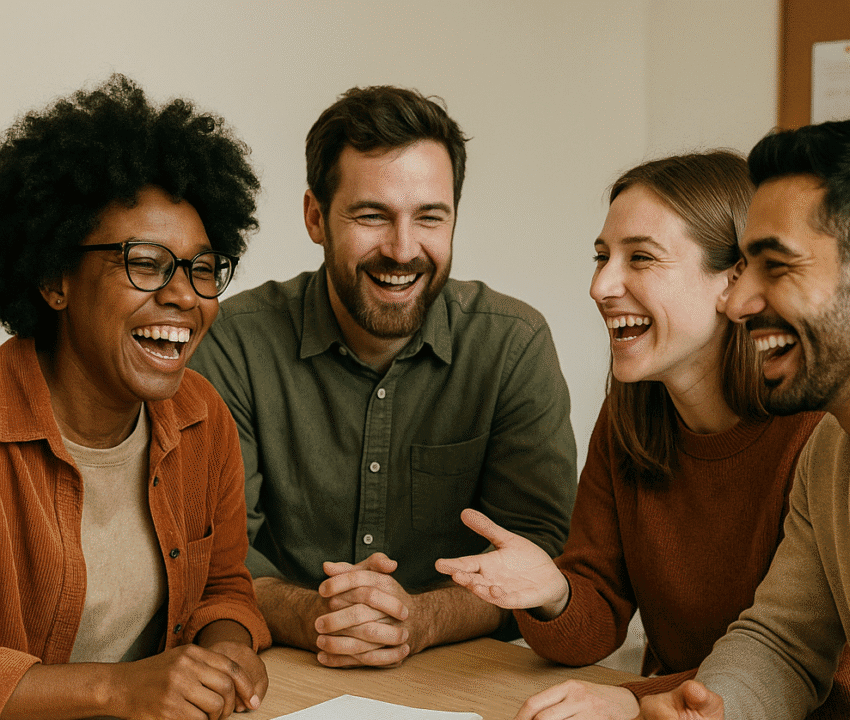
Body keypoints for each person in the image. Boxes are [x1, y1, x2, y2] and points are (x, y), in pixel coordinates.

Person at [531, 117, 850, 720]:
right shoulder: (835, 455)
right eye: (742, 266)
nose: (740, 300)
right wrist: (706, 707)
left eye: (775, 268)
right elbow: (785, 643)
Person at [437, 151, 850, 720]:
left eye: (640, 258)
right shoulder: (632, 418)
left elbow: (811, 670)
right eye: (601, 257)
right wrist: (551, 594)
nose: (600, 286)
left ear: (733, 280)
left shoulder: (819, 430)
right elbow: (604, 624)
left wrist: (636, 703)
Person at [189, 85, 577, 669]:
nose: (402, 249)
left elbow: (540, 555)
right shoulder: (234, 341)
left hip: (464, 682)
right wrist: (318, 614)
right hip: (284, 669)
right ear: (316, 218)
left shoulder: (512, 345)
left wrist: (421, 620)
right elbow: (213, 555)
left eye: (429, 218)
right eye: (372, 216)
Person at [0, 75, 271, 720]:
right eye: (146, 263)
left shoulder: (202, 417)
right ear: (54, 278)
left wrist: (229, 647)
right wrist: (114, 690)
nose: (185, 296)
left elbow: (223, 586)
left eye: (202, 269)